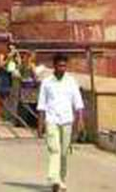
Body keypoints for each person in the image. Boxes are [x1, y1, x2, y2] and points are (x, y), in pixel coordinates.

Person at [37, 53, 84, 192]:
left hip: (67, 120)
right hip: (51, 119)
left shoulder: (71, 81)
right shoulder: (47, 82)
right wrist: (40, 125)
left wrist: (80, 119)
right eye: (60, 65)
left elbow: (78, 102)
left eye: (64, 65)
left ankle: (62, 179)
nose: (62, 68)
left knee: (63, 152)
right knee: (54, 149)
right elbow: (42, 104)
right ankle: (54, 179)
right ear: (54, 66)